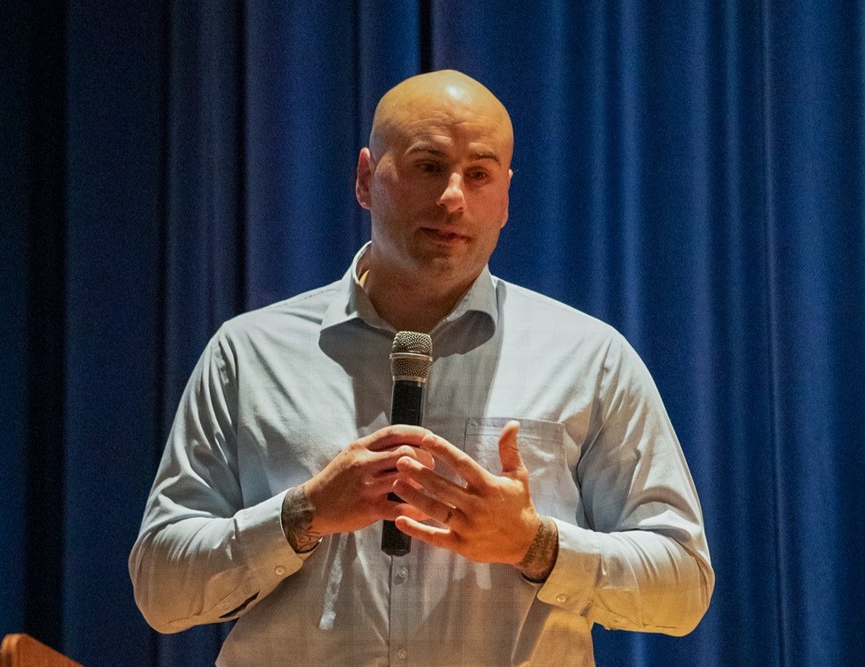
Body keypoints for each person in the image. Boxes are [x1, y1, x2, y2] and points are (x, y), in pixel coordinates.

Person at [129, 69, 714, 666]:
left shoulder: (591, 358)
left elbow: (683, 587)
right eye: (429, 166)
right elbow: (161, 591)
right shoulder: (247, 354)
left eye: (479, 174)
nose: (453, 197)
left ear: (506, 198)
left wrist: (536, 546)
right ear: (365, 178)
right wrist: (303, 515)